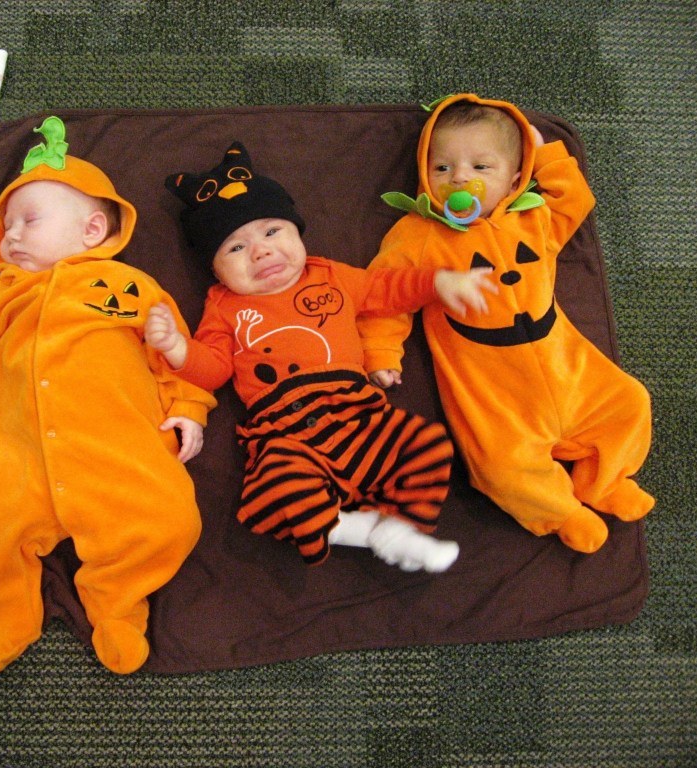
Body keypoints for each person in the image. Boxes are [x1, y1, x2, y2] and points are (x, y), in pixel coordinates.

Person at [0, 117, 216, 678]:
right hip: (17, 454)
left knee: (171, 519)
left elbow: (176, 352)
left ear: (92, 229)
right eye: (6, 226)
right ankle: (4, 615)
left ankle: (116, 602)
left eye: (29, 220)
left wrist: (188, 408)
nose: (11, 235)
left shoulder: (129, 287)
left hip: (117, 450)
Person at [146, 141, 496, 571]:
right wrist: (178, 349)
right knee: (281, 484)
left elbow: (387, 288)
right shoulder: (223, 306)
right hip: (282, 425)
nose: (260, 251)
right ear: (215, 270)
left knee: (428, 446)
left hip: (356, 410)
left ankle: (398, 528)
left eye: (272, 232)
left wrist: (439, 283)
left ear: (298, 233)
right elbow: (215, 369)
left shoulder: (329, 275)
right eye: (235, 248)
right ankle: (354, 530)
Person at [361, 93, 654, 553]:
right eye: (442, 168)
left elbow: (575, 199)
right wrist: (381, 353)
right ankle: (560, 512)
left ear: (515, 179)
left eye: (481, 167)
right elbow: (385, 295)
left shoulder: (533, 219)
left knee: (631, 403)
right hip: (493, 393)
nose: (460, 177)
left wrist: (547, 154)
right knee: (498, 466)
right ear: (424, 173)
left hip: (570, 369)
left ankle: (604, 481)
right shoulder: (419, 236)